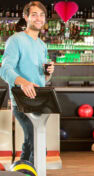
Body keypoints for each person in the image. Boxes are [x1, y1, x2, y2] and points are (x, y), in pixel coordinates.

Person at [0, 1, 54, 164]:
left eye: (42, 15)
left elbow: (41, 78)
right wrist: (23, 82)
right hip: (21, 100)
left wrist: (48, 74)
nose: (39, 18)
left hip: (39, 100)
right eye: (34, 14)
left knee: (31, 142)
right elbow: (5, 69)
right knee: (37, 143)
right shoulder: (16, 40)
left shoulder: (42, 45)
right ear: (26, 17)